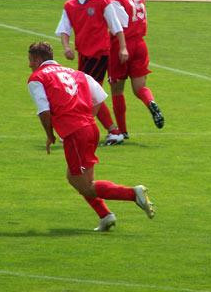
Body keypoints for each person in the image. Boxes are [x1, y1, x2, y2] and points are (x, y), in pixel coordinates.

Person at [26, 42, 155, 231]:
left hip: (75, 133)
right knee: (74, 177)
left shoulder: (37, 78)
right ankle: (105, 215)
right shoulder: (77, 73)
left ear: (37, 59)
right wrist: (85, 119)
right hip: (90, 129)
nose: (29, 65)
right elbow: (100, 97)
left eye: (30, 60)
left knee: (85, 185)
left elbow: (44, 111)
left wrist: (50, 135)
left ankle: (133, 194)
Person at [56, 0, 127, 146]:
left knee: (86, 93)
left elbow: (116, 26)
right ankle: (113, 131)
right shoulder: (70, 5)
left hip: (99, 54)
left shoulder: (101, 1)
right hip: (84, 55)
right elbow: (64, 29)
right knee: (92, 94)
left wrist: (123, 48)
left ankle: (83, 130)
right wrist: (66, 48)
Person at [100, 0, 164, 139]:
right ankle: (150, 102)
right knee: (139, 87)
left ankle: (123, 131)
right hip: (140, 44)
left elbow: (119, 24)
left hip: (122, 45)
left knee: (117, 90)